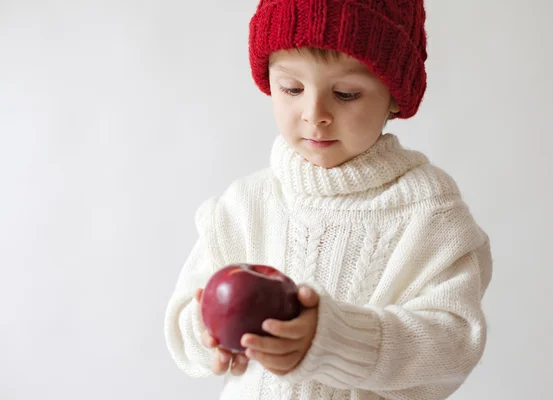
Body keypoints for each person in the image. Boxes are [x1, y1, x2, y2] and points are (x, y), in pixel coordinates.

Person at [164, 0, 493, 399]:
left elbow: (454, 344)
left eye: (346, 93)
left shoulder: (429, 214)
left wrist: (336, 339)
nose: (314, 112)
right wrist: (209, 330)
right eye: (292, 88)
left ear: (394, 96)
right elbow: (184, 318)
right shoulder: (245, 205)